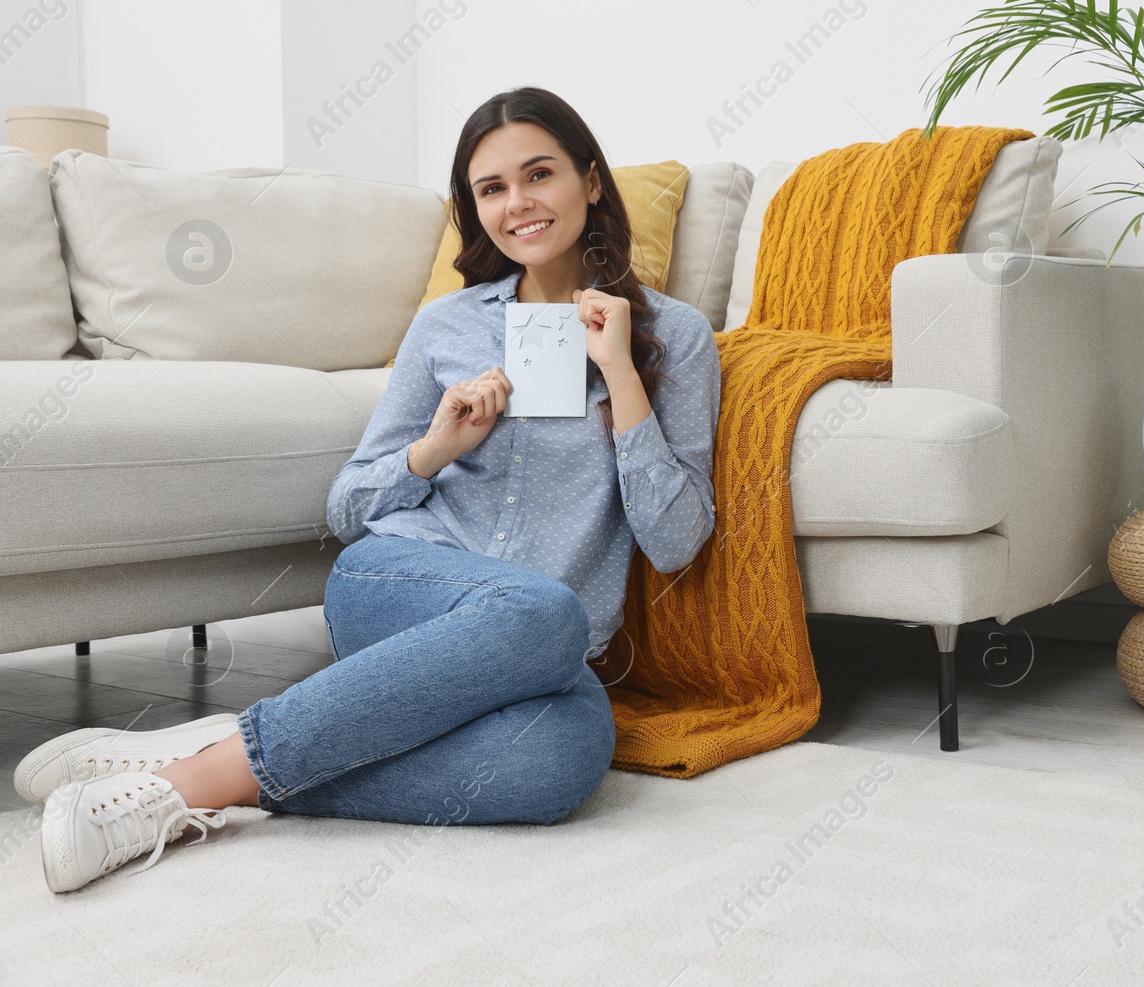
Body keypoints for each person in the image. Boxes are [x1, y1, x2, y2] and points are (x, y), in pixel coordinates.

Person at [18, 87, 721, 893]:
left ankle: (234, 748)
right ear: (475, 210)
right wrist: (434, 448)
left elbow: (675, 540)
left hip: (540, 652)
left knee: (565, 760)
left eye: (539, 175)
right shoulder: (445, 327)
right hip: (399, 585)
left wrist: (621, 374)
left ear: (591, 182)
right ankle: (174, 796)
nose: (518, 203)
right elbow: (347, 508)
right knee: (546, 607)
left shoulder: (675, 337)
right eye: (492, 189)